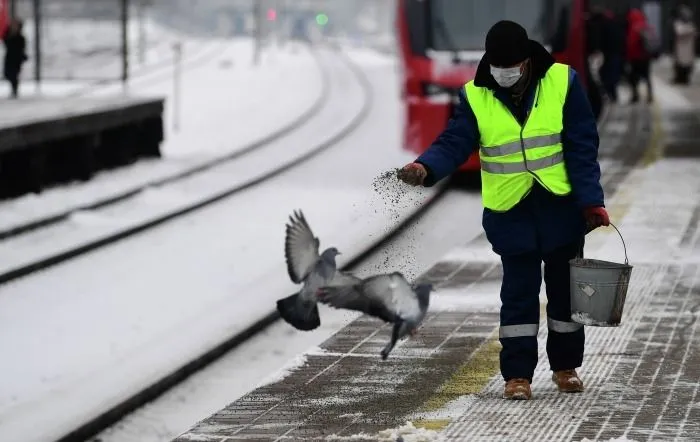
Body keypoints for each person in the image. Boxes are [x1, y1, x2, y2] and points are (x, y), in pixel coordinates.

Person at [396, 20, 609, 401]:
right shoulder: (476, 94)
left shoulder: (563, 82)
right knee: (519, 295)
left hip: (559, 205)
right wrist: (425, 167)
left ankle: (565, 367)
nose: (503, 73)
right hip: (510, 210)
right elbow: (455, 141)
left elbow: (581, 146)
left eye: (510, 65)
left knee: (565, 295)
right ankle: (517, 376)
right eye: (497, 65)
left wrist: (592, 201)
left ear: (526, 61)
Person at [626, 8, 656, 103]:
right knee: (647, 77)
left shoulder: (634, 28)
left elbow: (631, 44)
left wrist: (627, 57)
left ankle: (635, 95)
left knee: (633, 78)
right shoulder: (647, 26)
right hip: (646, 57)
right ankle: (650, 96)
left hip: (635, 58)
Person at [2, 18, 28, 99]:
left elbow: (21, 48)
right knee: (7, 74)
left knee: (14, 75)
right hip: (9, 58)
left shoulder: (21, 37)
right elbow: (4, 39)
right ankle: (14, 89)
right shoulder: (9, 35)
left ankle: (14, 90)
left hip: (16, 59)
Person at [672, 5, 696, 85]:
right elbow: (679, 31)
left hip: (688, 49)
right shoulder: (678, 24)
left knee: (687, 65)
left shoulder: (690, 25)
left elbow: (693, 32)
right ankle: (679, 78)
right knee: (679, 64)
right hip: (680, 49)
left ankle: (685, 79)